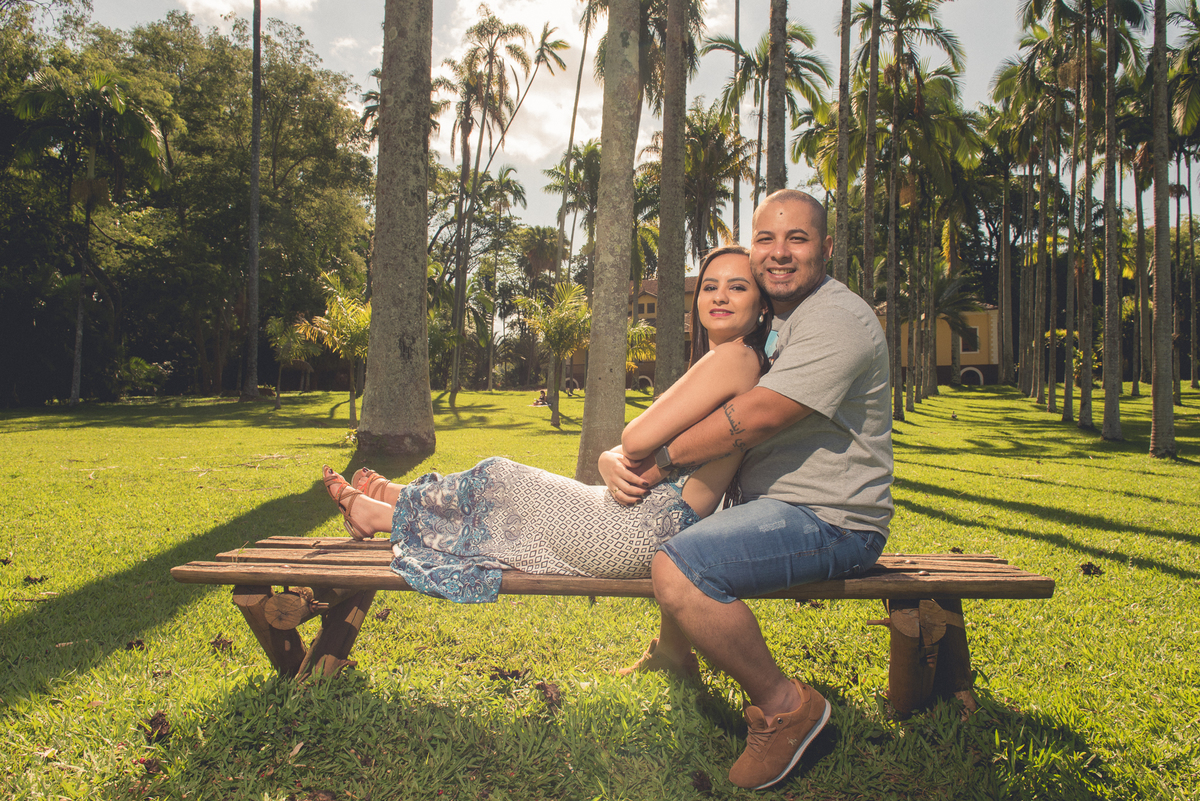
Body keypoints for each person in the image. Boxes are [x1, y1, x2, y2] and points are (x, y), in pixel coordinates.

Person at [601, 190, 893, 791]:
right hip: (777, 507)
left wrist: (660, 460)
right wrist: (617, 456)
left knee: (680, 567)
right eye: (766, 239)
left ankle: (786, 705)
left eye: (797, 239)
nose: (779, 253)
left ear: (826, 248)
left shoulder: (835, 319)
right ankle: (673, 653)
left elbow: (758, 416)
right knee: (683, 533)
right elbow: (697, 407)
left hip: (831, 519)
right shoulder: (776, 323)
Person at [321, 246, 774, 605]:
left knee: (501, 476)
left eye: (737, 287)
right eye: (710, 286)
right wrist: (608, 458)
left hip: (640, 531)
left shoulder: (734, 358)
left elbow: (636, 439)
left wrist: (619, 451)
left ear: (761, 306)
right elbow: (644, 449)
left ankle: (383, 510)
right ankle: (391, 499)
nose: (719, 296)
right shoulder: (734, 362)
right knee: (499, 484)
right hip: (643, 521)